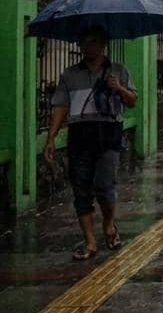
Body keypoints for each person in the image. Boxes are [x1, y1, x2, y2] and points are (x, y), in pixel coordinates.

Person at [42, 26, 138, 261]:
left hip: (108, 133)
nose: (88, 47)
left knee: (105, 187)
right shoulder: (70, 75)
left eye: (93, 42)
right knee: (81, 190)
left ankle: (108, 224)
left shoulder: (117, 70)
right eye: (84, 43)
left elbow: (133, 101)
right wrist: (51, 137)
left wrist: (119, 88)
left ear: (102, 44)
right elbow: (61, 107)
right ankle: (90, 242)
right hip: (80, 133)